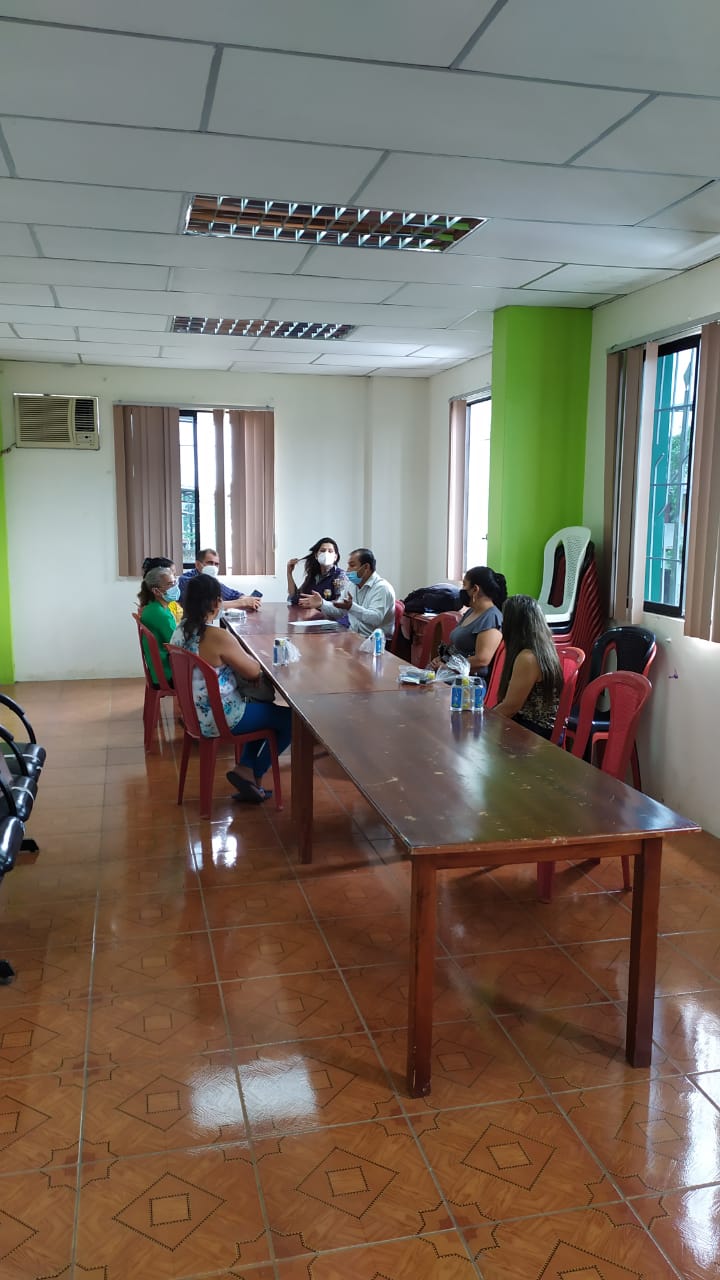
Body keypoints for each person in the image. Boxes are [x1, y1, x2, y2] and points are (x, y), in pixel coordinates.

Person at [170, 575, 292, 802]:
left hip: (193, 715)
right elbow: (253, 671)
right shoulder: (216, 636)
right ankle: (256, 771)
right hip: (222, 718)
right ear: (216, 602)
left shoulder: (180, 630)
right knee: (291, 720)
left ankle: (245, 767)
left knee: (261, 706)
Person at [493, 594, 563, 738]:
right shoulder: (541, 650)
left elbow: (511, 707)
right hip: (531, 727)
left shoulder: (528, 658)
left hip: (534, 732)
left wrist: (482, 721)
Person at [299, 547, 396, 638]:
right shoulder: (351, 585)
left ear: (366, 567)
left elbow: (376, 619)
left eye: (352, 565)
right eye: (348, 565)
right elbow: (339, 611)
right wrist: (322, 604)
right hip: (353, 636)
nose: (348, 569)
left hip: (375, 642)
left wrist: (351, 607)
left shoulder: (382, 588)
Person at [433, 565, 506, 677]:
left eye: (464, 585)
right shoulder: (471, 612)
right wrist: (442, 659)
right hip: (451, 675)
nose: (462, 589)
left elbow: (482, 659)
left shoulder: (491, 617)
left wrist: (449, 666)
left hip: (469, 682)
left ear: (475, 589)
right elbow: (457, 648)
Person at [178, 548, 261, 611]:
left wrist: (248, 599)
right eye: (210, 563)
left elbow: (232, 594)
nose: (213, 567)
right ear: (197, 564)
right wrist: (242, 602)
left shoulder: (212, 581)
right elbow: (209, 606)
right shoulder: (186, 580)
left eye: (216, 564)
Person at [138, 565, 180, 684]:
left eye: (175, 582)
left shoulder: (153, 607)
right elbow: (178, 643)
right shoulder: (160, 614)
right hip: (168, 673)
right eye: (170, 584)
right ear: (156, 591)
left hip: (160, 669)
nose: (175, 587)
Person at [286, 537, 349, 605]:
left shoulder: (340, 576)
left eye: (330, 551)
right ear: (316, 555)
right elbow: (295, 597)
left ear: (335, 557)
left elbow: (341, 603)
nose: (326, 554)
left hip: (326, 612)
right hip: (307, 612)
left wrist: (320, 605)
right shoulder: (312, 576)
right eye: (322, 550)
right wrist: (289, 573)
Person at [142, 555, 182, 622]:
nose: (175, 580)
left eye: (174, 575)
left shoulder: (168, 604)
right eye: (172, 574)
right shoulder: (159, 612)